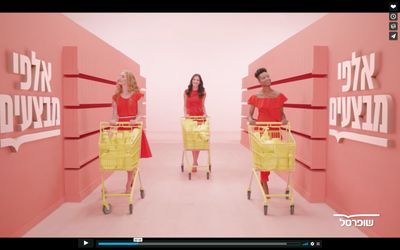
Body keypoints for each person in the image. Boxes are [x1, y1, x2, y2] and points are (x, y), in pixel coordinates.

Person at [247, 67, 288, 196]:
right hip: (262, 130)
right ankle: (264, 180)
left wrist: (284, 119)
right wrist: (251, 120)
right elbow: (249, 115)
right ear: (259, 81)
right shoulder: (255, 97)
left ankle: (264, 177)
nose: (267, 79)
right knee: (264, 156)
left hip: (275, 130)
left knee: (274, 156)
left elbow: (282, 114)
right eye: (264, 77)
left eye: (268, 76)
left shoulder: (279, 96)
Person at [111, 70, 152, 193]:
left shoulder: (137, 95)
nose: (119, 77)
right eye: (120, 75)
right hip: (122, 129)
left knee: (131, 156)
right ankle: (132, 175)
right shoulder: (115, 97)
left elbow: (140, 114)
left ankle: (128, 183)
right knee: (125, 157)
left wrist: (135, 120)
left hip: (133, 129)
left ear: (128, 79)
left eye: (122, 76)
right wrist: (113, 122)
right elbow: (115, 115)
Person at [183, 73, 207, 173]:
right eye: (194, 79)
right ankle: (195, 161)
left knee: (198, 141)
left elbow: (203, 105)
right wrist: (186, 114)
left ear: (200, 82)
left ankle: (195, 161)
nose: (196, 81)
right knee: (192, 141)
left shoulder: (203, 92)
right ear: (191, 81)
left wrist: (205, 114)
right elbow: (184, 105)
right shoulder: (186, 92)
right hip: (190, 119)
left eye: (198, 80)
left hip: (200, 118)